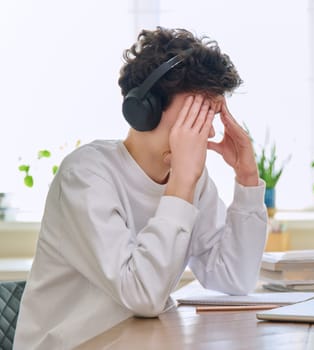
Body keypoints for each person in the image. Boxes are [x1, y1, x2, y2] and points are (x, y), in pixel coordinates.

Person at [14, 27, 268, 349]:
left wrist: (246, 178)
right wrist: (182, 184)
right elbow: (142, 295)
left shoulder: (192, 181)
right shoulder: (86, 176)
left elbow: (234, 278)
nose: (203, 131)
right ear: (144, 109)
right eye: (194, 114)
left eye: (210, 114)